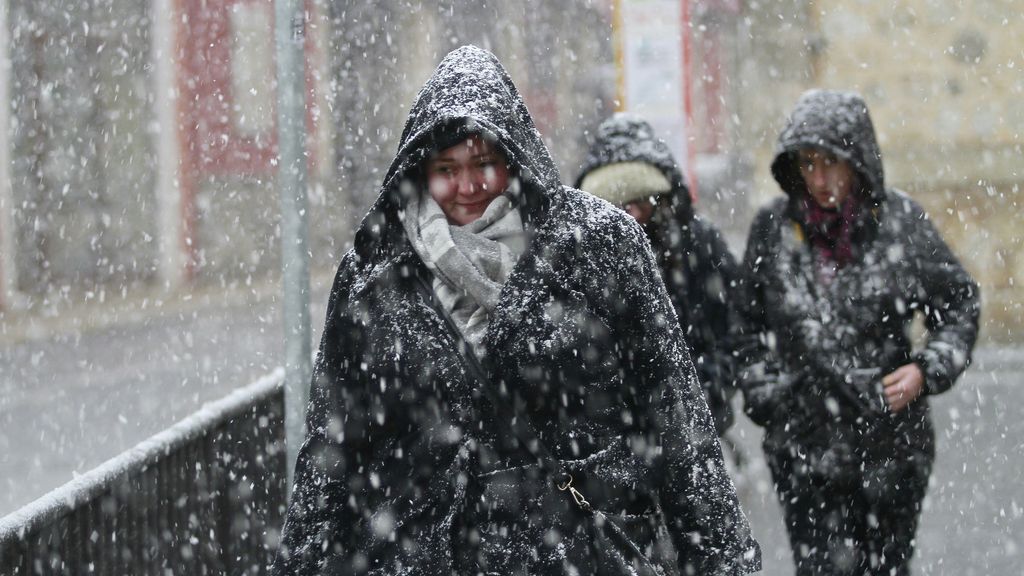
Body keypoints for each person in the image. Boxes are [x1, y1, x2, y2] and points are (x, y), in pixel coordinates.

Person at [272, 46, 760, 575]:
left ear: (514, 158)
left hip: (582, 554)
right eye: (446, 168)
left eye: (483, 163)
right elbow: (330, 452)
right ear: (420, 171)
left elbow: (678, 420)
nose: (467, 186)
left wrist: (722, 558)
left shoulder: (598, 244)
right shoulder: (375, 273)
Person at [735, 89, 980, 575]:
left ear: (857, 161)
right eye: (807, 163)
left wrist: (924, 371)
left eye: (831, 162)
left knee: (886, 568)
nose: (819, 179)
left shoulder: (900, 225)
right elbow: (743, 329)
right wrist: (767, 392)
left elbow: (958, 306)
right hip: (804, 448)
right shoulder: (774, 230)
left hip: (891, 447)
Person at [575, 113, 740, 438]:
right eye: (616, 202)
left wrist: (703, 390)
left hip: (695, 430)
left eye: (640, 201)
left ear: (662, 198)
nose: (630, 214)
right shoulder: (578, 255)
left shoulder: (698, 244)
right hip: (610, 442)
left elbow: (734, 330)